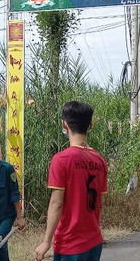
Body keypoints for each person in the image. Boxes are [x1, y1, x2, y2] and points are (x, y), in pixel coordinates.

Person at [34, 101, 108, 261]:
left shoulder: (61, 159)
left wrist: (46, 241)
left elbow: (57, 203)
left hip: (71, 244)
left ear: (64, 124)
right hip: (94, 240)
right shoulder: (99, 160)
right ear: (90, 125)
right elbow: (98, 203)